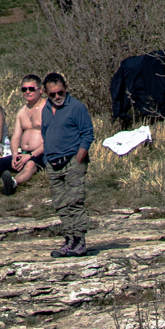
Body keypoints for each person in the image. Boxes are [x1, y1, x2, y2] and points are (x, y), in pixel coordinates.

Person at [39, 72, 94, 258]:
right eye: (52, 94)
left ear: (66, 89)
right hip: (53, 163)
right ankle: (69, 239)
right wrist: (46, 159)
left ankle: (80, 241)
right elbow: (45, 134)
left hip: (72, 161)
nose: (57, 97)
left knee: (74, 201)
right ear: (45, 93)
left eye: (60, 92)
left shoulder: (76, 107)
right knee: (61, 204)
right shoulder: (45, 109)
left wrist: (79, 158)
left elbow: (87, 133)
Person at [3, 75, 47, 194]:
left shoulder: (47, 108)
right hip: (22, 153)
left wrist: (31, 155)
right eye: (24, 89)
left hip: (40, 153)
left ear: (40, 90)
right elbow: (16, 136)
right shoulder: (21, 111)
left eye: (31, 89)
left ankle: (12, 183)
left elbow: (51, 139)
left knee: (30, 165)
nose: (27, 92)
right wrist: (14, 155)